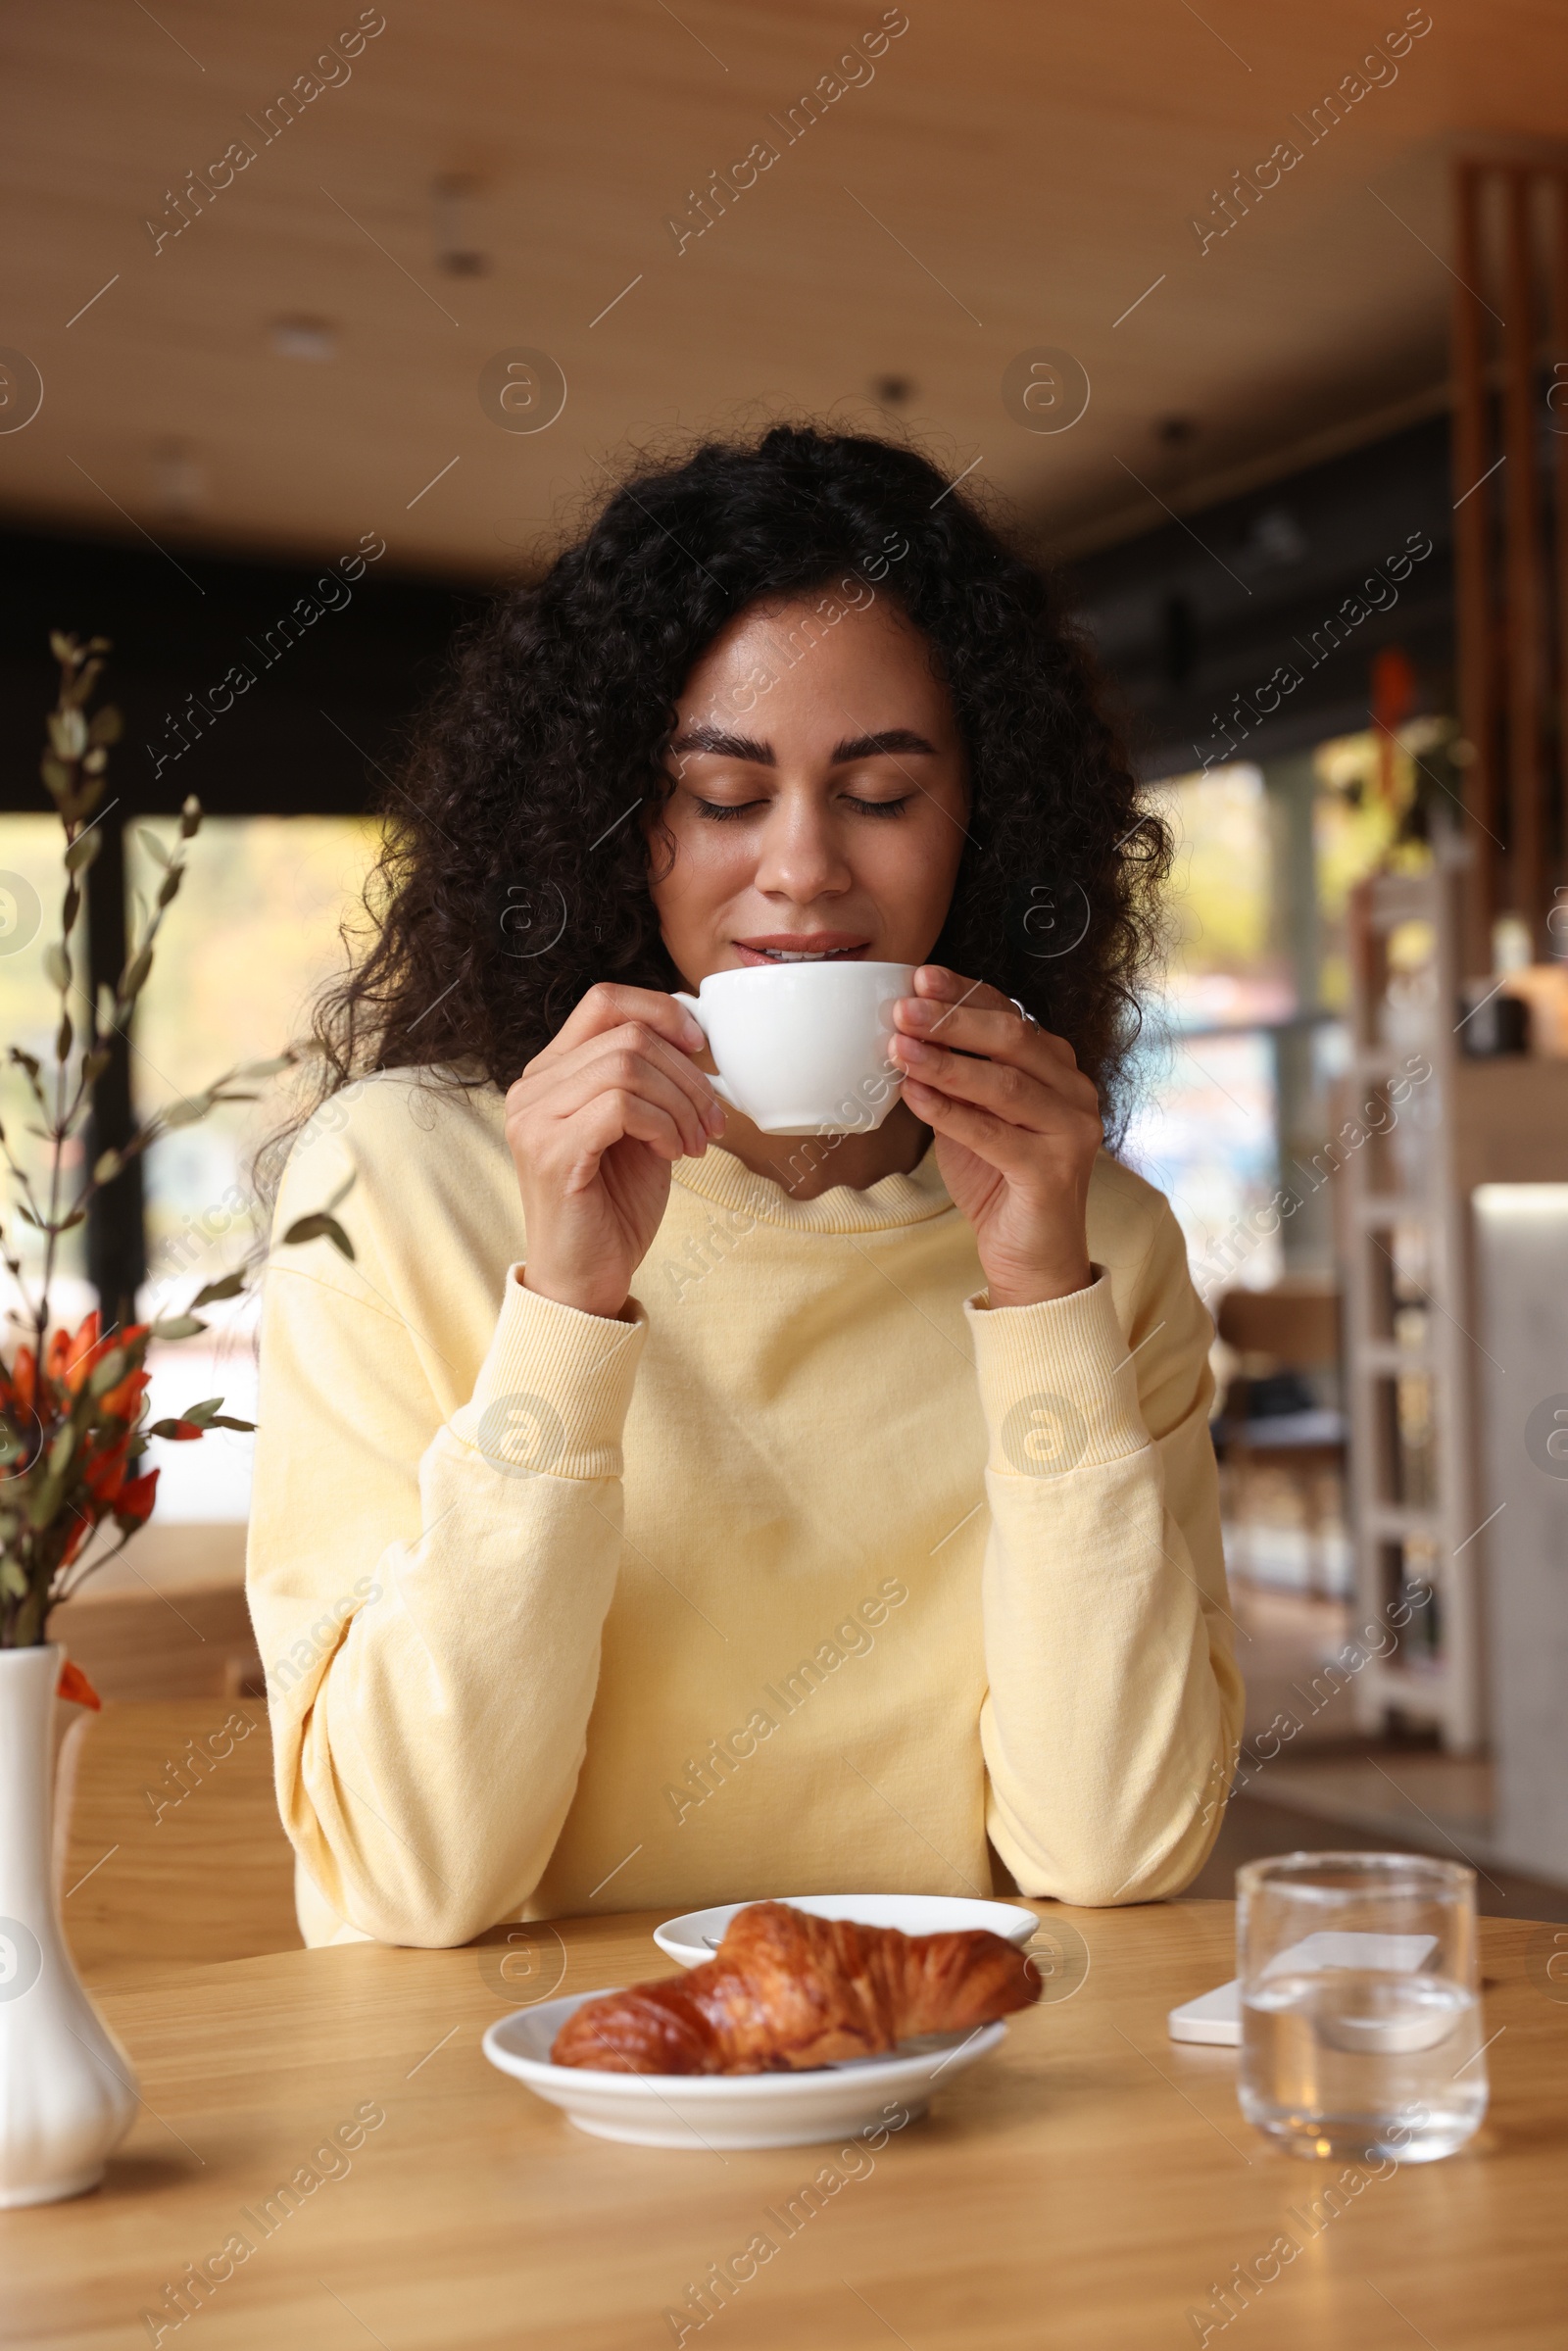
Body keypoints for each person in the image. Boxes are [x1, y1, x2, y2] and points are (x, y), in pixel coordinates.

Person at [246, 423, 1243, 1949]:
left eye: (882, 793)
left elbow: (1113, 1848)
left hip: (951, 2107)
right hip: (499, 2129)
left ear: (985, 821)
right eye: (725, 795)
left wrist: (1043, 1297)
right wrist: (569, 1308)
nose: (802, 869)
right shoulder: (403, 1187)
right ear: (616, 822)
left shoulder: (1097, 1242)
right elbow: (406, 1879)